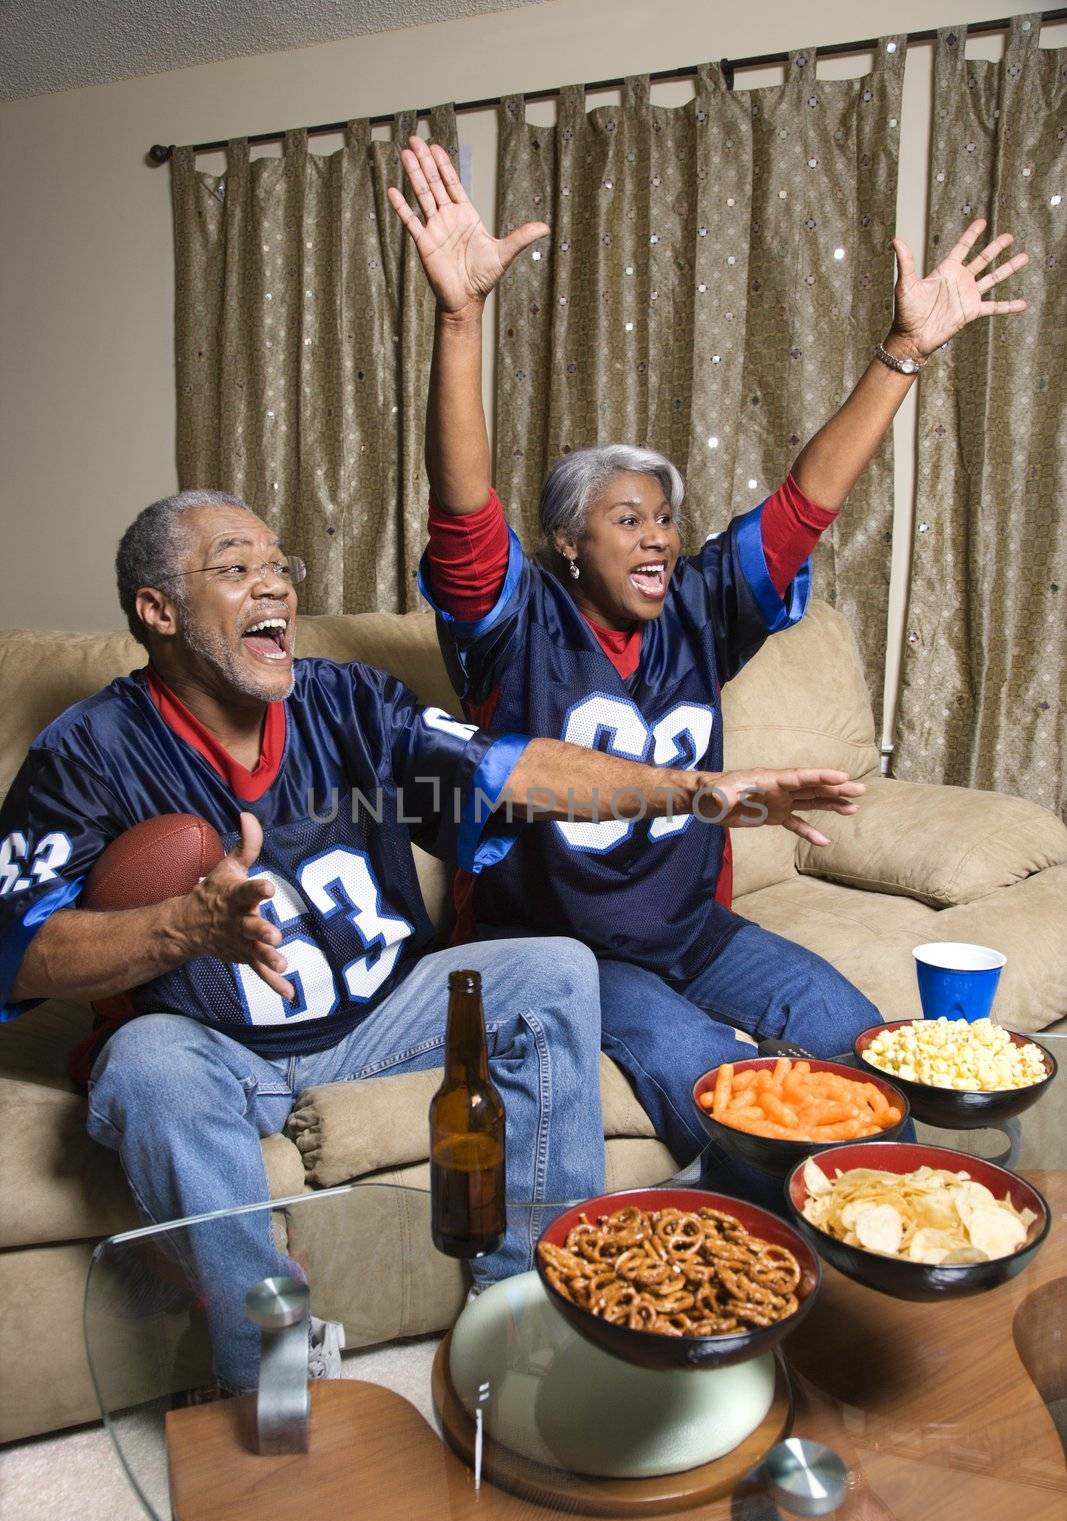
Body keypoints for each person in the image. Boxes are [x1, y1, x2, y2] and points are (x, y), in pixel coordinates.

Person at [0, 489, 862, 1390]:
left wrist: (696, 792)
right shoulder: (90, 751)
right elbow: (20, 948)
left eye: (279, 567)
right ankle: (267, 1355)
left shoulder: (349, 703)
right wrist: (179, 928)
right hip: (219, 1048)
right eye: (234, 568)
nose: (274, 590)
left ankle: (526, 1290)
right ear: (157, 609)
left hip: (379, 1017)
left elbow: (515, 768)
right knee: (146, 1065)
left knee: (554, 970)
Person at [389, 135, 1028, 1189]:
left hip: (694, 928)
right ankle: (780, 1274)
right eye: (625, 518)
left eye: (665, 519)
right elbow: (461, 509)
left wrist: (901, 352)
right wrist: (460, 317)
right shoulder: (513, 623)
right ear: (564, 541)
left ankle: (899, 1240)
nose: (655, 537)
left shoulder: (697, 606)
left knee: (853, 1034)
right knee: (709, 1085)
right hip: (565, 954)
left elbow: (802, 503)